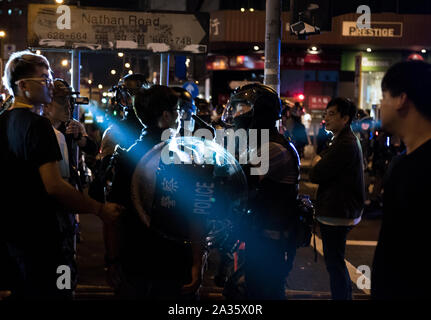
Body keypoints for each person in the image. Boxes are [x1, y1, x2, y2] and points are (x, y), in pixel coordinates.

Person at [0, 50, 122, 299]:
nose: (50, 84)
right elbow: (54, 185)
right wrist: (99, 209)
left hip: (14, 237)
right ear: (23, 85)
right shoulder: (39, 126)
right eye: (44, 78)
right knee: (62, 290)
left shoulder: (4, 120)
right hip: (45, 240)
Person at [105, 85, 207, 299]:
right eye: (179, 112)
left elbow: (113, 215)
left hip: (133, 260)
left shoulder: (125, 157)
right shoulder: (185, 159)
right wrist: (198, 262)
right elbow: (196, 214)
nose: (181, 118)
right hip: (174, 263)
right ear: (166, 116)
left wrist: (112, 260)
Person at [221, 83, 300, 299]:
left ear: (260, 113)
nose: (237, 114)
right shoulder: (261, 143)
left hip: (270, 240)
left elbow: (236, 178)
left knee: (262, 292)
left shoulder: (272, 148)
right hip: (261, 234)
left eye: (242, 108)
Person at [371, 61, 431, 299]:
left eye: (384, 96)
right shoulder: (406, 162)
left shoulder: (413, 169)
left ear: (401, 99)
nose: (380, 105)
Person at [309, 97, 365, 300]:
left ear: (345, 118)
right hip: (340, 210)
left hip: (338, 212)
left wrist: (317, 162)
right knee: (335, 262)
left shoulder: (345, 143)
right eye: (326, 113)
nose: (327, 118)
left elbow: (315, 173)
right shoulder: (341, 139)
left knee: (335, 264)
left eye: (332, 114)